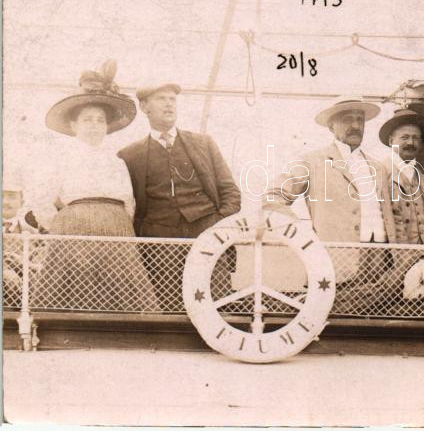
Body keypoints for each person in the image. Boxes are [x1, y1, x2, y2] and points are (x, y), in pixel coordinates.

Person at [26, 60, 159, 311]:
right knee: (73, 291)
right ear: (74, 125)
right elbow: (41, 199)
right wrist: (61, 226)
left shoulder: (117, 162)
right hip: (73, 232)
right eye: (87, 120)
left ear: (107, 126)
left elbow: (129, 203)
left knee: (121, 292)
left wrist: (118, 224)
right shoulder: (60, 158)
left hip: (116, 233)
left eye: (100, 120)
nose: (95, 125)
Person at [117, 83, 241, 309]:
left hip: (206, 233)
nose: (168, 104)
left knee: (215, 303)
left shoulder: (203, 143)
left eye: (172, 99)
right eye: (161, 99)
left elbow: (230, 192)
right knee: (168, 307)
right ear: (144, 107)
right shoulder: (129, 155)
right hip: (159, 241)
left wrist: (217, 224)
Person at [264, 95, 397, 297]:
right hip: (333, 267)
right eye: (347, 120)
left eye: (360, 120)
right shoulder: (312, 161)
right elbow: (272, 197)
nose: (355, 126)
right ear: (331, 126)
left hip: (379, 269)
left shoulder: (378, 167)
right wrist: (297, 232)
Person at [378, 108, 424, 299]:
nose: (410, 143)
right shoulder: (378, 175)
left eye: (416, 138)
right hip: (393, 264)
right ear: (391, 141)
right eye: (404, 137)